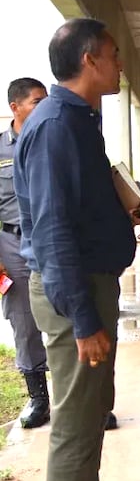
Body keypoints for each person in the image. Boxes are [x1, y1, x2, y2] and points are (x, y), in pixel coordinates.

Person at [15, 18, 140, 481]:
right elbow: (50, 231)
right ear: (90, 59)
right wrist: (85, 320)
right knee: (74, 420)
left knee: (94, 410)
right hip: (73, 294)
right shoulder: (54, 125)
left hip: (91, 285)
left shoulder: (78, 119)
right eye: (115, 55)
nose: (120, 65)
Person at [3, 78, 50, 430]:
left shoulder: (55, 140)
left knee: (73, 317)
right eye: (37, 102)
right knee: (24, 321)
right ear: (15, 107)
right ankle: (38, 399)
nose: (44, 107)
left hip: (54, 242)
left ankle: (89, 401)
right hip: (12, 244)